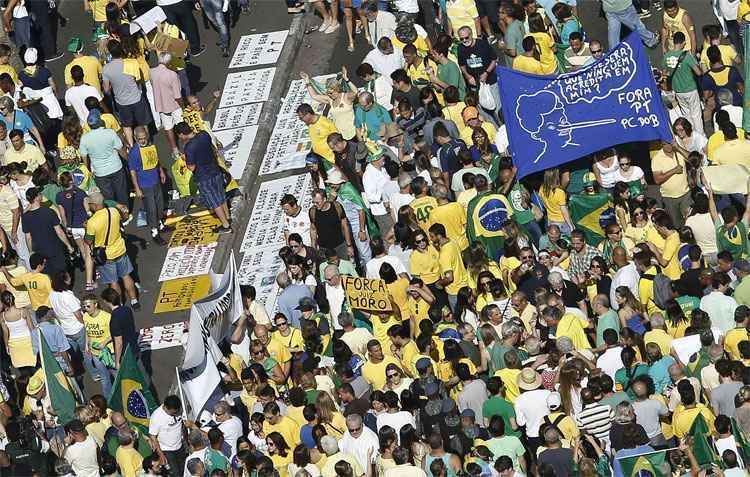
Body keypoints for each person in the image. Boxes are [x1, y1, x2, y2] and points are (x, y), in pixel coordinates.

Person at [174, 122, 232, 233]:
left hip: (204, 177)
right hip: (215, 171)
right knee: (222, 196)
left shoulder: (189, 147)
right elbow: (212, 149)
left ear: (181, 134)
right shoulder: (204, 134)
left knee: (215, 202)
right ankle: (228, 218)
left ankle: (225, 226)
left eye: (179, 136)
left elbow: (191, 167)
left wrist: (185, 159)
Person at [79, 109, 129, 207]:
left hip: (100, 172)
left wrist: (88, 170)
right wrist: (128, 160)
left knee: (108, 197)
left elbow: (84, 157)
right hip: (116, 167)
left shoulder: (84, 139)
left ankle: (113, 215)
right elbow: (121, 150)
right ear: (100, 121)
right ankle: (126, 214)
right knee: (121, 193)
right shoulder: (110, 132)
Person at [127, 126, 167, 245]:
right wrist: (137, 188)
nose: (143, 141)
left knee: (160, 205)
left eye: (144, 138)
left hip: (155, 181)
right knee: (151, 209)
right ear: (135, 138)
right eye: (140, 139)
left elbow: (155, 160)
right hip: (145, 185)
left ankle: (159, 223)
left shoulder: (150, 145)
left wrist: (161, 171)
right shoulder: (134, 152)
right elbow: (133, 172)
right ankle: (154, 231)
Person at [23, 187, 75, 275]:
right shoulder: (49, 212)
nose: (41, 195)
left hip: (40, 251)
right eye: (39, 194)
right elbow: (59, 232)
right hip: (55, 248)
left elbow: (28, 237)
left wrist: (31, 252)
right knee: (61, 274)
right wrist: (69, 245)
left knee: (48, 275)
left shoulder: (25, 217)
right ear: (36, 198)